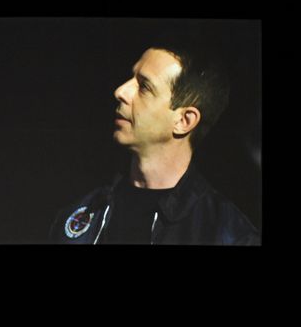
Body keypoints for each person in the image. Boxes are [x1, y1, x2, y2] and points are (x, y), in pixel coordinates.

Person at [50, 43, 260, 245]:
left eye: (144, 87)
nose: (121, 91)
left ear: (184, 121)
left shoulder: (228, 234)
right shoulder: (80, 214)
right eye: (130, 79)